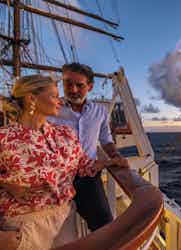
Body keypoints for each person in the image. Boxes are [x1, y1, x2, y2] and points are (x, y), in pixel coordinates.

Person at [0, 74, 126, 250]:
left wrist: (110, 162)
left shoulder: (65, 133)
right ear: (31, 99)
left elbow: (83, 166)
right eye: (53, 95)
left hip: (64, 221)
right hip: (25, 227)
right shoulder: (4, 138)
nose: (59, 100)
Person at [48, 63, 126, 231]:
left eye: (80, 85)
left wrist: (115, 155)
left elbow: (105, 140)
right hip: (54, 179)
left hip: (88, 177)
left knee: (104, 225)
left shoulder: (100, 111)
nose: (73, 89)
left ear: (90, 86)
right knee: (53, 231)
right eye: (68, 83)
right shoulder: (51, 109)